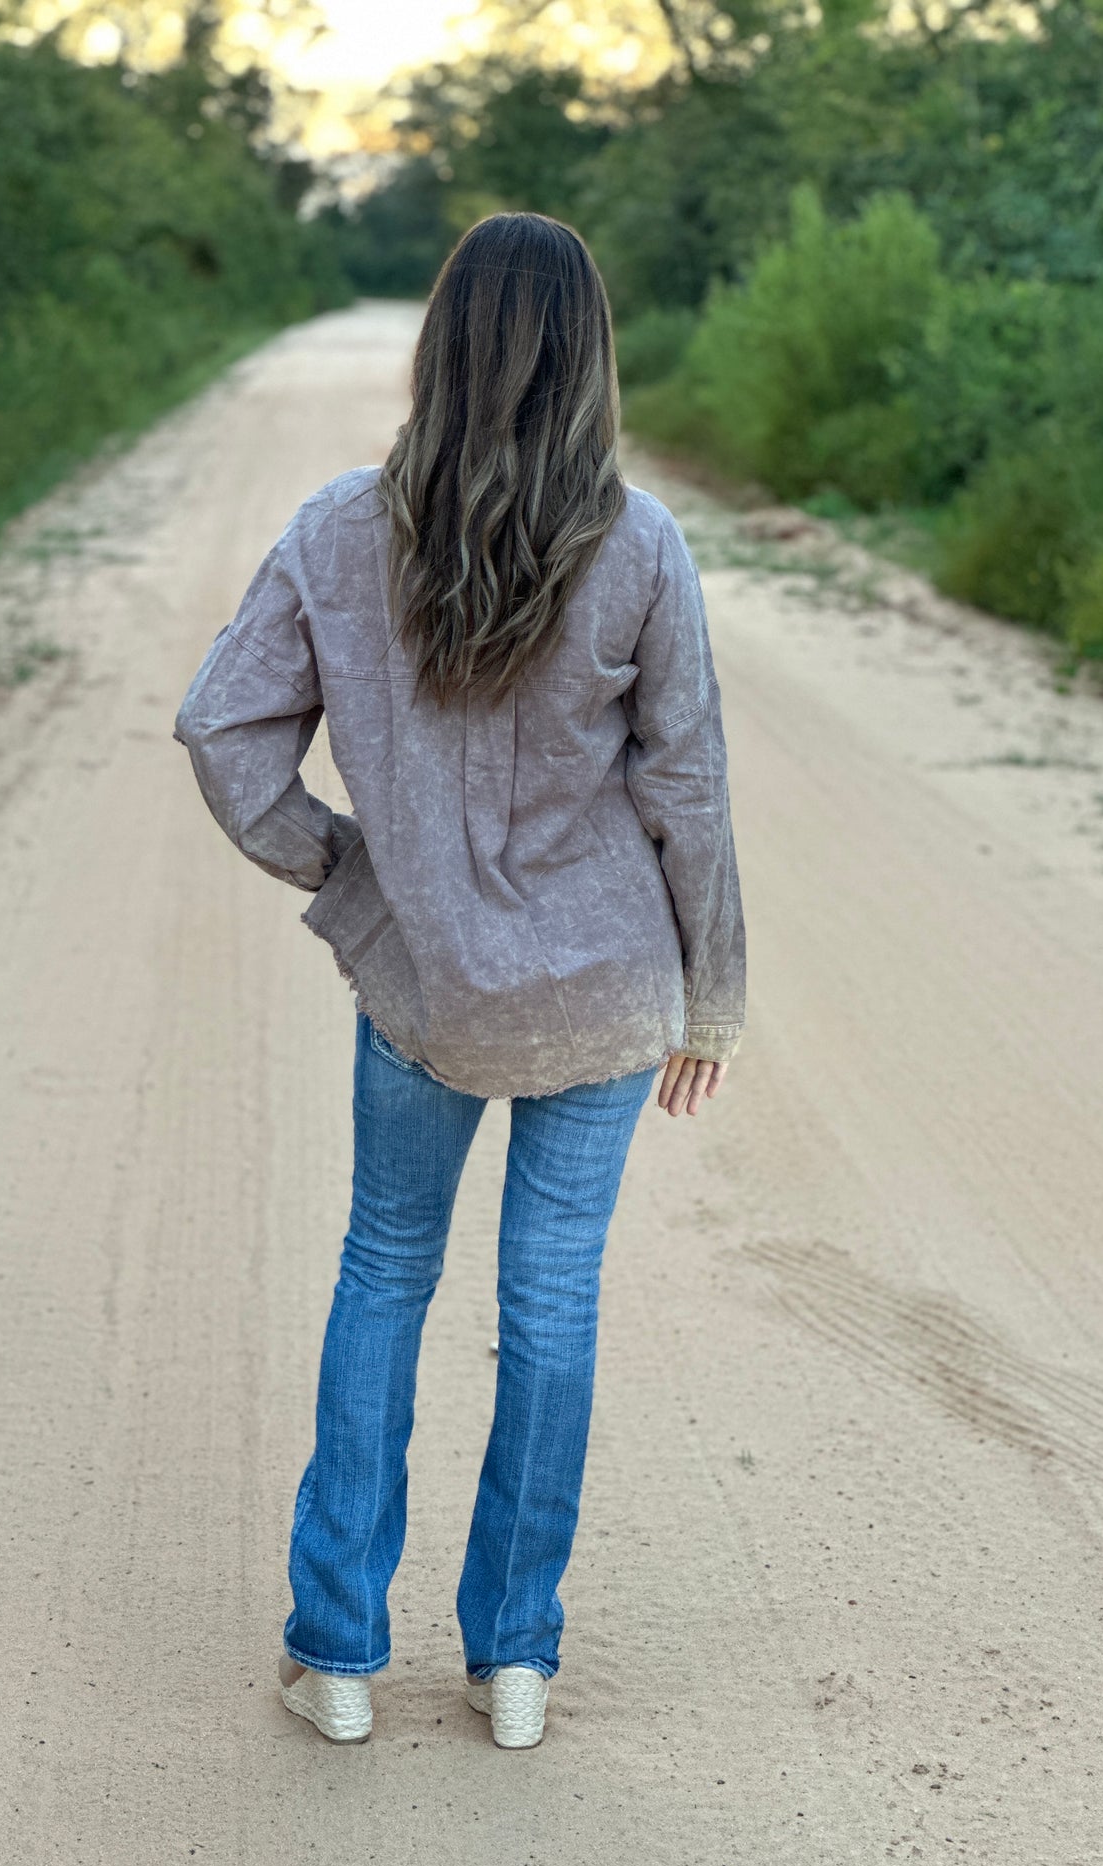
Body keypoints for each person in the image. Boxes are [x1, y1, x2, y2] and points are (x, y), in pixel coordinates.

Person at [173, 212, 746, 1751]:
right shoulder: (638, 546)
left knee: (382, 1279)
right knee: (550, 1306)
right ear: (589, 359)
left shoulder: (338, 530)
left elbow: (223, 731)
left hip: (425, 992)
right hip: (607, 993)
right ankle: (513, 1663)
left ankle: (340, 1653)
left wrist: (346, 872)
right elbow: (683, 786)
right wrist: (714, 998)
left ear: (439, 344)